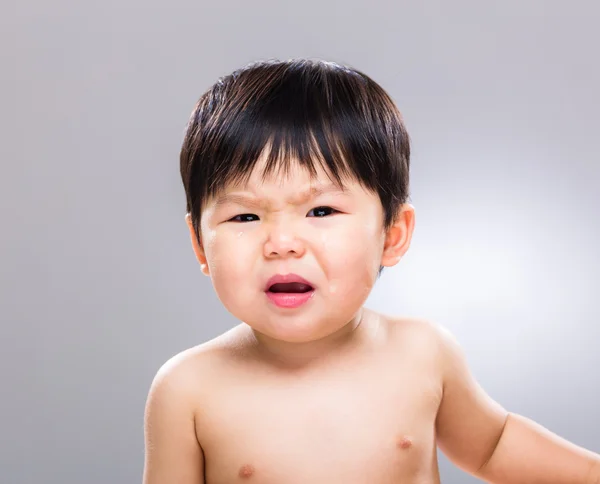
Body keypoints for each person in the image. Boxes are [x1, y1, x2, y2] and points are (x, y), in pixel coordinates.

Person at [142, 58, 600, 484]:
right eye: (245, 217)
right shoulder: (188, 389)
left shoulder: (423, 353)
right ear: (200, 244)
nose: (281, 244)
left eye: (321, 211)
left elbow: (494, 446)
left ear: (392, 234)